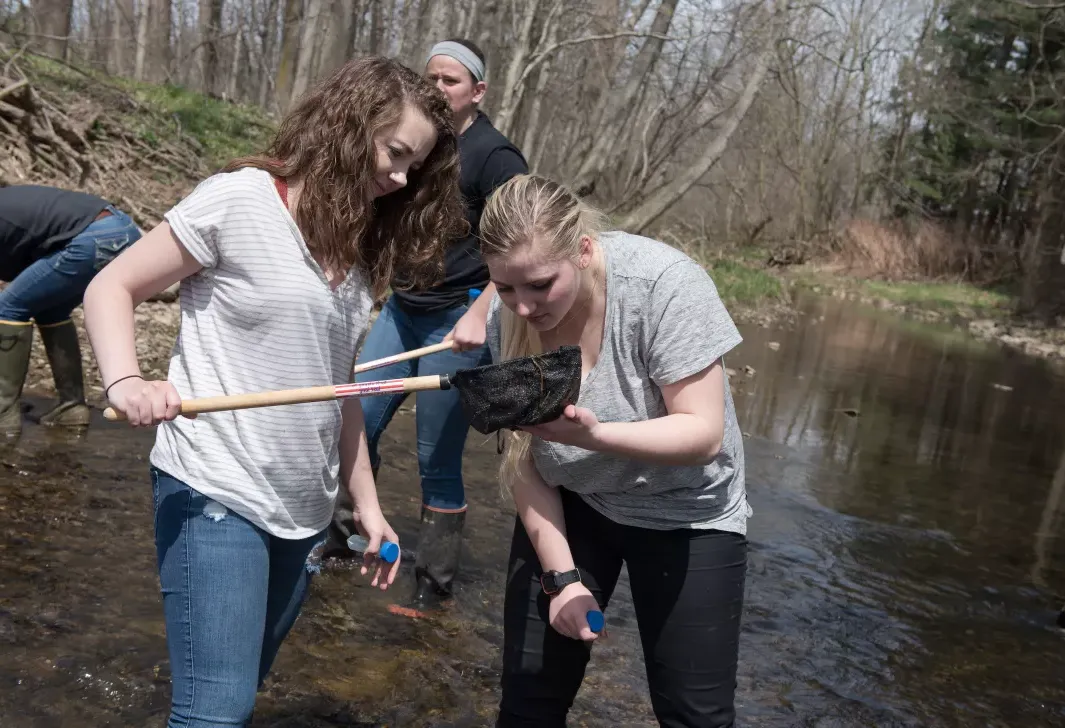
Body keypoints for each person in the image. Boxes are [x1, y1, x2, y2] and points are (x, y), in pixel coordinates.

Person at [81, 56, 465, 728]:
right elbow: (112, 287)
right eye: (395, 154)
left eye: (415, 168)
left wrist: (368, 507)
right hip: (214, 487)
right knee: (215, 713)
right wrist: (127, 381)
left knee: (236, 695)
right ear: (349, 125)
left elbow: (339, 391)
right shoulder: (241, 199)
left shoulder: (357, 247)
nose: (401, 178)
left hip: (304, 512)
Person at [478, 174, 751, 728]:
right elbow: (521, 464)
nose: (523, 308)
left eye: (539, 285)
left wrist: (593, 435)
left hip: (688, 512)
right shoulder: (503, 319)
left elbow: (703, 434)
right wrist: (561, 579)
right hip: (575, 503)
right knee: (528, 705)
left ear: (582, 250)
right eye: (505, 289)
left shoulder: (663, 286)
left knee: (694, 716)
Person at [327, 38, 528, 611]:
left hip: (458, 318)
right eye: (431, 78)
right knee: (355, 420)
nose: (438, 88)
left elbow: (518, 246)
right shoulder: (417, 142)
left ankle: (431, 589)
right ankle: (341, 544)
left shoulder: (495, 156)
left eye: (451, 81)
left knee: (436, 457)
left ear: (477, 92)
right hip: (402, 308)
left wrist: (483, 310)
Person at [0, 186, 142, 436]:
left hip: (91, 237)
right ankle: (71, 407)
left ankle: (4, 414)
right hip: (125, 232)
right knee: (51, 311)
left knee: (8, 308)